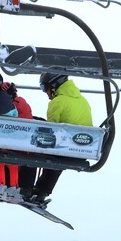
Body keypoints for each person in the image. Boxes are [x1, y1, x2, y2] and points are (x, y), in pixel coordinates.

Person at [19, 72, 93, 206]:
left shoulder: (57, 102)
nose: (45, 92)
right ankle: (42, 191)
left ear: (54, 85)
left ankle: (25, 188)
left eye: (45, 88)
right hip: (82, 151)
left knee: (30, 151)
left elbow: (51, 131)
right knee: (57, 158)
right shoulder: (83, 100)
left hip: (63, 150)